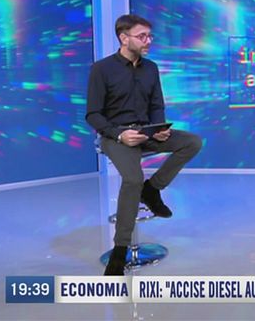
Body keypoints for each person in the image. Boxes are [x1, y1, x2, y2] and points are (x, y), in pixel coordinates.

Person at [86, 14, 202, 275]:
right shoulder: (101, 69)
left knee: (192, 142)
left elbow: (156, 105)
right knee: (133, 179)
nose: (148, 41)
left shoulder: (151, 68)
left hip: (147, 133)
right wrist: (119, 135)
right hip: (116, 136)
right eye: (142, 36)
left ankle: (153, 189)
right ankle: (120, 251)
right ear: (123, 38)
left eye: (150, 36)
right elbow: (93, 115)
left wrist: (159, 129)